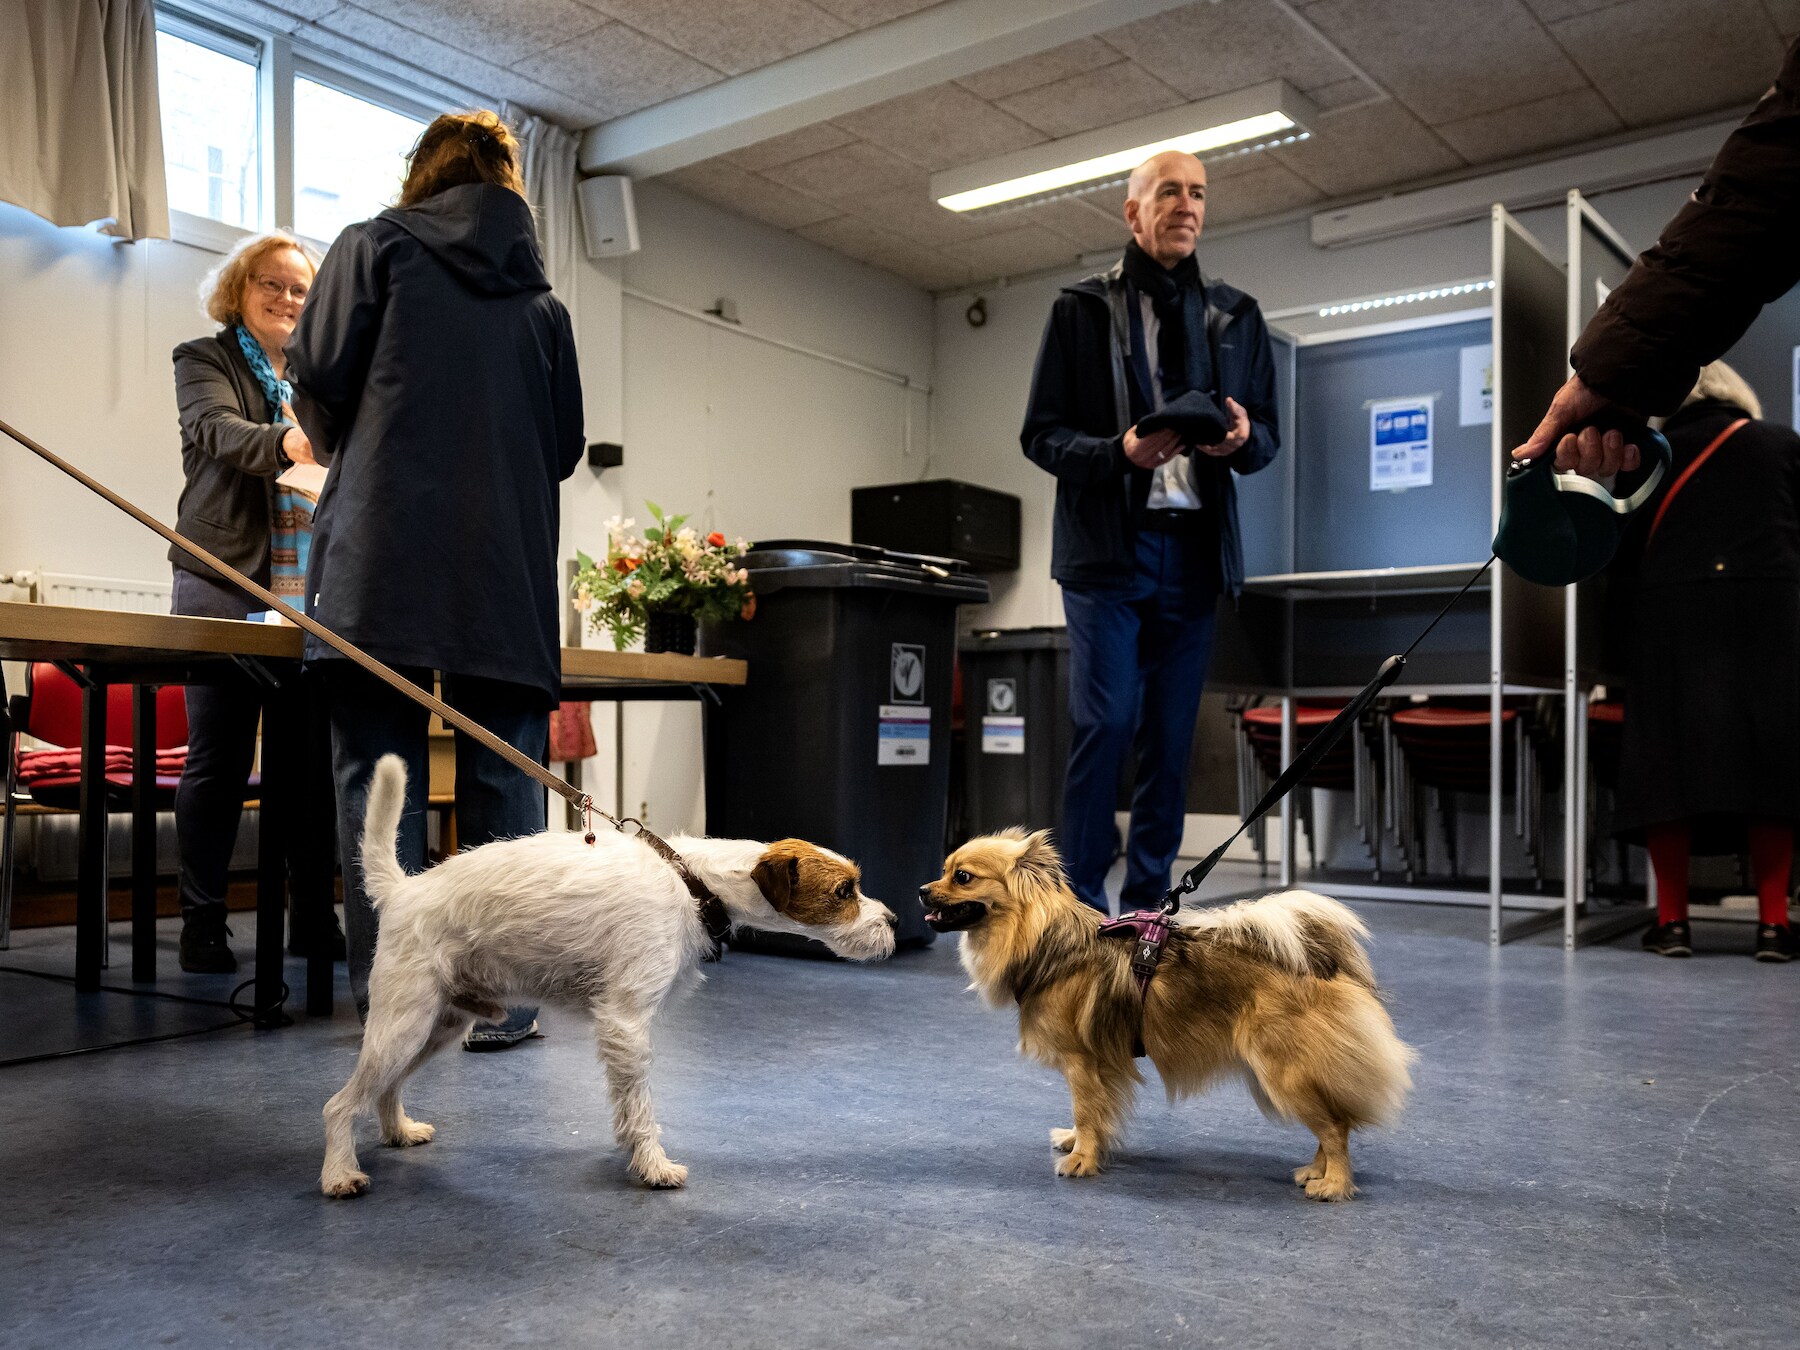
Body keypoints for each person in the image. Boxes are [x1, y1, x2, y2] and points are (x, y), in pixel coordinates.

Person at [288, 110, 584, 1046]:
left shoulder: (374, 248)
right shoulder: (545, 309)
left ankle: (400, 1008)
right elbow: (564, 447)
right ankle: (504, 1005)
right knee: (507, 787)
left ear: (423, 173)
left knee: (382, 790)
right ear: (511, 189)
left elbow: (322, 379)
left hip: (383, 560)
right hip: (504, 569)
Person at [1020, 150, 1278, 914]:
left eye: (1198, 194)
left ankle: (1149, 911)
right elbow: (1041, 435)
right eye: (1170, 192)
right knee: (1108, 723)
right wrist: (1119, 453)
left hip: (1193, 557)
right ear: (1132, 212)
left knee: (1170, 740)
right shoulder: (1081, 308)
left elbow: (1266, 437)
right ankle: (1076, 909)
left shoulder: (1236, 315)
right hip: (1106, 556)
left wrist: (1239, 441)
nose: (1187, 206)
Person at [169, 231, 342, 974]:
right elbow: (216, 431)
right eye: (269, 283)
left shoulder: (322, 380)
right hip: (222, 582)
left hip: (310, 591)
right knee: (219, 760)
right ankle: (203, 923)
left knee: (309, 770)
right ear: (238, 289)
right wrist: (293, 446)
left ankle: (310, 916)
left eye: (300, 289)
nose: (286, 298)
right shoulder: (203, 360)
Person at [1514, 34, 1800, 476]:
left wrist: (1615, 373)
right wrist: (1617, 372)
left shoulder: (1653, 467)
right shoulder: (1777, 447)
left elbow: (1758, 196)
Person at [1605, 362, 1799, 961]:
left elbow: (1619, 559)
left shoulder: (1647, 455)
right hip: (1772, 616)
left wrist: (1613, 666)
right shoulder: (1783, 444)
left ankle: (1672, 924)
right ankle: (1774, 925)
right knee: (1772, 765)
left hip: (1668, 622)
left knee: (1669, 764)